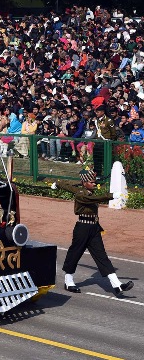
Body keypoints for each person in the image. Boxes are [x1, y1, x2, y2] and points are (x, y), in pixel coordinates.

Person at [52, 169, 134, 297]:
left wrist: (57, 184)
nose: (95, 183)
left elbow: (67, 187)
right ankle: (68, 281)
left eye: (94, 181)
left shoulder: (83, 190)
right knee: (75, 253)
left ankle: (117, 285)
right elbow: (96, 198)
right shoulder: (82, 195)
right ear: (85, 183)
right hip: (82, 228)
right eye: (92, 182)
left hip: (94, 228)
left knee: (102, 256)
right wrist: (112, 195)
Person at [92, 105, 122, 177]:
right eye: (96, 112)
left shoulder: (108, 120)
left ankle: (107, 175)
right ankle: (97, 174)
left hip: (105, 142)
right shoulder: (97, 121)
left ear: (103, 112)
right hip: (98, 142)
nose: (96, 113)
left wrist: (110, 140)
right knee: (96, 159)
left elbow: (113, 133)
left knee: (105, 159)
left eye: (98, 112)